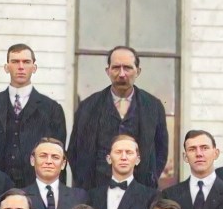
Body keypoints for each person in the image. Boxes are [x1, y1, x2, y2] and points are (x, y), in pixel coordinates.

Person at [67, 46, 168, 190]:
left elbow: (161, 150)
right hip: (95, 192)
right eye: (116, 68)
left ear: (138, 71)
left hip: (140, 193)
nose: (121, 74)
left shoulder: (153, 106)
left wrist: (148, 180)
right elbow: (74, 150)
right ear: (107, 71)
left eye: (127, 68)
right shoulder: (88, 106)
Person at [0, 43, 67, 187]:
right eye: (15, 62)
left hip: (35, 186)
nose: (20, 67)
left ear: (34, 67)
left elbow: (58, 154)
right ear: (6, 67)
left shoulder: (51, 109)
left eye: (26, 62)